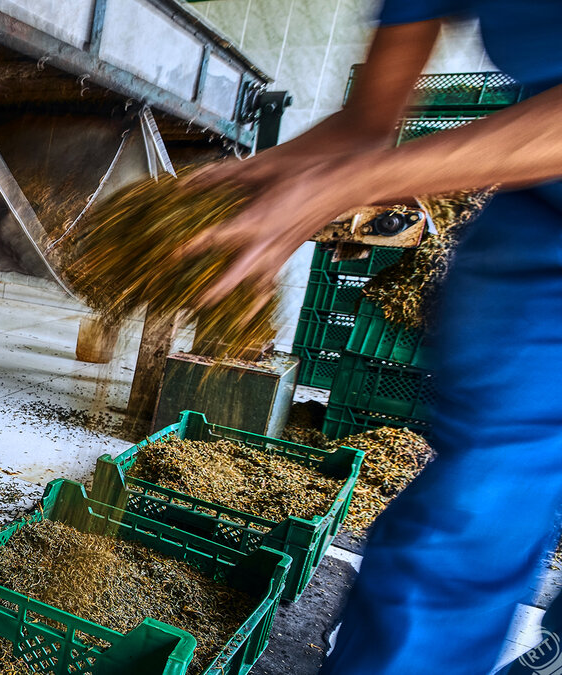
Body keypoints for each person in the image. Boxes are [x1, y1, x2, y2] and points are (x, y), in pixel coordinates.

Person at [188, 2, 562, 673]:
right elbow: (368, 124)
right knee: (466, 507)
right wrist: (285, 173)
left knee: (493, 496)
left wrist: (353, 183)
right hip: (538, 207)